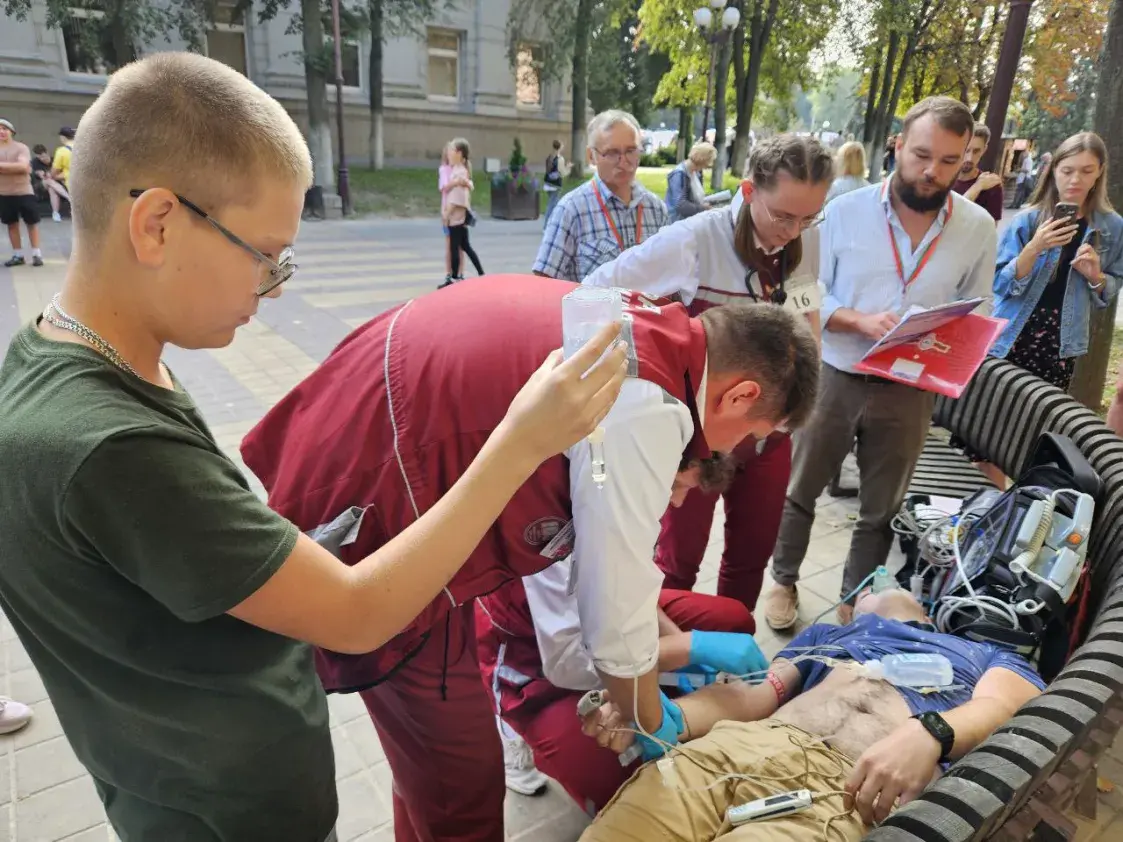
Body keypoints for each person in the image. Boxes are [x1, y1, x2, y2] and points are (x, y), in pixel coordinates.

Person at [0, 52, 628, 842]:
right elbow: (359, 615)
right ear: (157, 223)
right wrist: (518, 441)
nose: (277, 285)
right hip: (228, 815)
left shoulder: (71, 356)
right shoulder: (111, 444)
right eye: (266, 253)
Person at [240, 278, 821, 841]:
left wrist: (645, 681)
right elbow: (614, 618)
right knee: (461, 781)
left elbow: (626, 576)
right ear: (740, 394)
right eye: (752, 434)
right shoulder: (649, 402)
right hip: (387, 496)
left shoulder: (642, 322)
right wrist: (653, 719)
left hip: (386, 428)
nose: (733, 451)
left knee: (430, 762)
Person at [765, 96, 997, 631]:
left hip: (911, 387)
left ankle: (854, 597)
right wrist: (854, 320)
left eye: (949, 161)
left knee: (882, 505)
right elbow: (802, 289)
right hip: (837, 373)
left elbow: (980, 302)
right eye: (921, 155)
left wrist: (946, 336)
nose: (931, 171)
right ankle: (782, 579)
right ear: (897, 145)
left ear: (965, 160)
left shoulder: (978, 227)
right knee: (800, 487)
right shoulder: (844, 211)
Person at [584, 134, 833, 615]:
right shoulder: (694, 239)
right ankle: (665, 654)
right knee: (678, 558)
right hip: (699, 435)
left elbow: (808, 311)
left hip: (768, 431)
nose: (794, 230)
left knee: (751, 552)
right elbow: (595, 291)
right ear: (747, 191)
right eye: (782, 215)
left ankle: (729, 653)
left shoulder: (808, 239)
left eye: (808, 217)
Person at [579, 588, 1045, 840]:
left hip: (843, 792)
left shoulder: (985, 655)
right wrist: (671, 719)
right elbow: (758, 695)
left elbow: (1004, 706)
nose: (869, 593)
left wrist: (932, 732)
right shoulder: (836, 635)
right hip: (730, 752)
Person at [477, 455, 766, 815]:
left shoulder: (627, 489)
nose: (677, 502)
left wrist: (680, 656)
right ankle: (514, 734)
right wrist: (686, 648)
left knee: (729, 618)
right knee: (619, 789)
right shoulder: (549, 521)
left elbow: (634, 587)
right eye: (675, 487)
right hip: (533, 661)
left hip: (604, 625)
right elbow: (566, 661)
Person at [991, 132, 1122, 394]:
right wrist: (1034, 247)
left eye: (1086, 171)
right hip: (1012, 329)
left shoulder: (1112, 227)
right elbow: (999, 284)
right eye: (1067, 170)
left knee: (1036, 418)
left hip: (1061, 338)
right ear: (1053, 171)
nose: (1075, 180)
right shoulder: (1028, 220)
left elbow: (1109, 289)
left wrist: (1096, 277)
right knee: (988, 416)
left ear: (1099, 172)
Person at [533, 109, 669, 281]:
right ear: (592, 156)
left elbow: (669, 273)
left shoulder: (656, 209)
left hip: (647, 307)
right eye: (612, 153)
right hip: (592, 307)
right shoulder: (571, 210)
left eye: (631, 151)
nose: (623, 162)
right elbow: (543, 283)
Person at [440, 137, 483, 287]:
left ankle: (454, 278)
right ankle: (480, 274)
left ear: (458, 153)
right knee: (464, 246)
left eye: (451, 150)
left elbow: (457, 197)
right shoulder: (458, 172)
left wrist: (447, 212)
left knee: (455, 247)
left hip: (457, 217)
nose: (448, 153)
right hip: (458, 216)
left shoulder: (460, 172)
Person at [0, 118, 43, 268]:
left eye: (4, 128)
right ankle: (18, 255)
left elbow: (23, 167)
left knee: (31, 223)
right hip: (4, 193)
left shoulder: (21, 148)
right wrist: (12, 167)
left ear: (11, 132)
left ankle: (37, 254)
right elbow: (18, 167)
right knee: (11, 224)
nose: (1, 131)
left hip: (24, 191)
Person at [953, 124, 1003, 224]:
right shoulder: (942, 179)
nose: (969, 158)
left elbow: (989, 232)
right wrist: (976, 187)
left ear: (984, 150)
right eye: (966, 150)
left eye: (976, 151)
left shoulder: (991, 187)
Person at [665, 141, 718, 223]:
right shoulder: (679, 174)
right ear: (703, 159)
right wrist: (703, 208)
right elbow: (680, 205)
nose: (708, 166)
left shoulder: (695, 174)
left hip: (690, 221)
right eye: (708, 162)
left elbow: (695, 198)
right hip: (677, 222)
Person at [438, 142, 466, 283]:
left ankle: (460, 273)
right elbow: (444, 188)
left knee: (460, 244)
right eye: (449, 151)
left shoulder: (461, 168)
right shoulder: (444, 170)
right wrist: (456, 182)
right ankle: (449, 273)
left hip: (460, 211)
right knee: (449, 244)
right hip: (447, 210)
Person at [31, 143, 71, 222]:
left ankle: (55, 213)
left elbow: (63, 174)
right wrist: (43, 174)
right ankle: (70, 198)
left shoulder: (55, 161)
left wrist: (53, 175)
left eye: (43, 156)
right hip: (41, 186)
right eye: (39, 157)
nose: (42, 159)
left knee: (52, 188)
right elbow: (40, 174)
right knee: (49, 181)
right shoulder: (35, 162)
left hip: (57, 185)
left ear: (47, 153)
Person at [50, 126, 75, 222]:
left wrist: (55, 176)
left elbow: (53, 172)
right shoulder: (85, 147)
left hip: (70, 182)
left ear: (62, 137)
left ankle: (56, 212)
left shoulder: (61, 151)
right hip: (86, 181)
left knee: (49, 182)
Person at [543, 138, 569, 227]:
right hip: (555, 185)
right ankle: (546, 225)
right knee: (552, 205)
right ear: (560, 147)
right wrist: (568, 167)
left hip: (547, 184)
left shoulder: (549, 157)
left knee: (556, 205)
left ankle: (555, 224)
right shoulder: (560, 159)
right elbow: (563, 173)